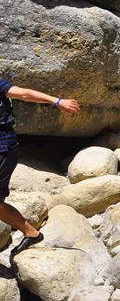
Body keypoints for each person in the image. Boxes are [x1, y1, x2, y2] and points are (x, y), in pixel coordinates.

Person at [0, 79, 79, 255]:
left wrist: (57, 101)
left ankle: (31, 233)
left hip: (4, 148)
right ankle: (31, 233)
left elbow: (24, 94)